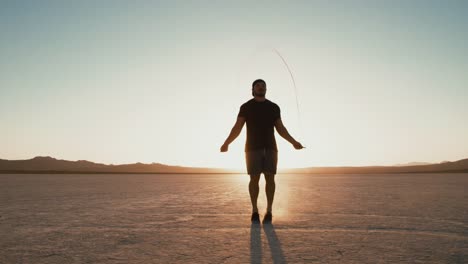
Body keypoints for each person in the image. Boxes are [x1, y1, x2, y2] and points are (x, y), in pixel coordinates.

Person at [220, 79, 304, 224]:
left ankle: (269, 211)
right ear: (252, 89)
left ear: (266, 89)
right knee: (254, 179)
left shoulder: (273, 107)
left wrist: (293, 142)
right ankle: (254, 211)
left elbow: (281, 128)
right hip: (252, 148)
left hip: (270, 147)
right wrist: (227, 143)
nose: (261, 87)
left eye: (263, 86)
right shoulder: (246, 107)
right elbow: (237, 127)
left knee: (270, 178)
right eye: (258, 86)